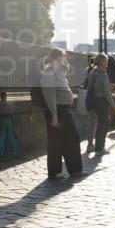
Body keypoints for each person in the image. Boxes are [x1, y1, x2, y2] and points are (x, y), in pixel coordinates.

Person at [39, 48, 83, 180]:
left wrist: (62, 62)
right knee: (55, 141)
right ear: (57, 57)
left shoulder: (59, 71)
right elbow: (49, 95)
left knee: (71, 138)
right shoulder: (49, 73)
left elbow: (66, 68)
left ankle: (75, 170)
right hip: (56, 110)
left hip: (63, 110)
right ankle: (55, 172)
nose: (66, 58)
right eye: (64, 56)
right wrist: (54, 114)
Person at [86, 53, 115, 154]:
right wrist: (113, 105)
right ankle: (100, 147)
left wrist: (107, 85)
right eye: (107, 60)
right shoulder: (103, 74)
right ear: (103, 61)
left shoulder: (92, 72)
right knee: (103, 123)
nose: (107, 62)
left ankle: (95, 145)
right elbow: (106, 93)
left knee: (100, 122)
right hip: (101, 101)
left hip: (93, 100)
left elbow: (90, 86)